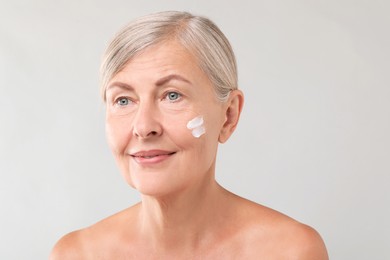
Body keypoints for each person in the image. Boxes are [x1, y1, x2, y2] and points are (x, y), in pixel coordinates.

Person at [50, 11, 328, 259]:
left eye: (172, 95)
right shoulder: (76, 255)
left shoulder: (288, 252)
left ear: (228, 116)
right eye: (123, 100)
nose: (144, 126)